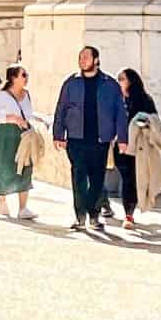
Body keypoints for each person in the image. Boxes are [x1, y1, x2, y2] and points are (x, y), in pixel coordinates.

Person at [51, 45, 127, 235]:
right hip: (76, 139)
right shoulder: (71, 83)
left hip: (100, 141)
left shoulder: (109, 84)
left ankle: (94, 215)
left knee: (97, 179)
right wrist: (58, 134)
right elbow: (61, 109)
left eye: (86, 57)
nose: (82, 60)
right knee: (78, 178)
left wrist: (123, 138)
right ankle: (80, 217)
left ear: (96, 60)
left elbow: (120, 113)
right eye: (80, 57)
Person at [0, 64, 37, 220]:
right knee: (4, 167)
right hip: (5, 134)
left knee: (25, 168)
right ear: (13, 77)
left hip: (23, 135)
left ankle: (23, 208)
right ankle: (2, 199)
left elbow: (29, 114)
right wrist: (11, 118)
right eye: (23, 75)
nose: (26, 78)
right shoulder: (1, 94)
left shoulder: (26, 94)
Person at [115, 69, 161, 229]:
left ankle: (128, 214)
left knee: (132, 180)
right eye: (118, 79)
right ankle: (118, 209)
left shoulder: (144, 100)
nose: (119, 82)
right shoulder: (116, 100)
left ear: (131, 81)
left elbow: (155, 122)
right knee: (127, 179)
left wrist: (143, 123)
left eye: (122, 79)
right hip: (119, 146)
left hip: (138, 148)